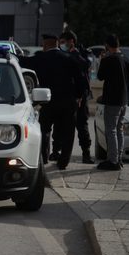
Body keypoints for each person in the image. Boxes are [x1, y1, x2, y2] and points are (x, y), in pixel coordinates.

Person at [28, 33, 86, 170]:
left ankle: (43, 158)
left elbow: (24, 61)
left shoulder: (41, 58)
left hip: (47, 101)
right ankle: (63, 162)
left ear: (47, 45)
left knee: (44, 130)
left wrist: (6, 54)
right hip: (67, 102)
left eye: (43, 45)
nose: (42, 47)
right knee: (68, 133)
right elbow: (81, 78)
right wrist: (78, 96)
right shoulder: (69, 58)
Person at [50, 30, 94, 164]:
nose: (61, 45)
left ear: (71, 42)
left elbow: (86, 66)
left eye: (63, 42)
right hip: (64, 95)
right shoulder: (61, 55)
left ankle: (86, 153)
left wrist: (74, 54)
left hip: (80, 97)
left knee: (81, 125)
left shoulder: (81, 55)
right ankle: (56, 151)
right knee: (59, 124)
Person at [96, 33, 129, 170]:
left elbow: (100, 77)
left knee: (110, 130)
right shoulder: (127, 59)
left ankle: (112, 161)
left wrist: (102, 60)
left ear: (107, 45)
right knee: (119, 130)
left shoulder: (108, 60)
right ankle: (119, 158)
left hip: (112, 100)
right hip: (124, 100)